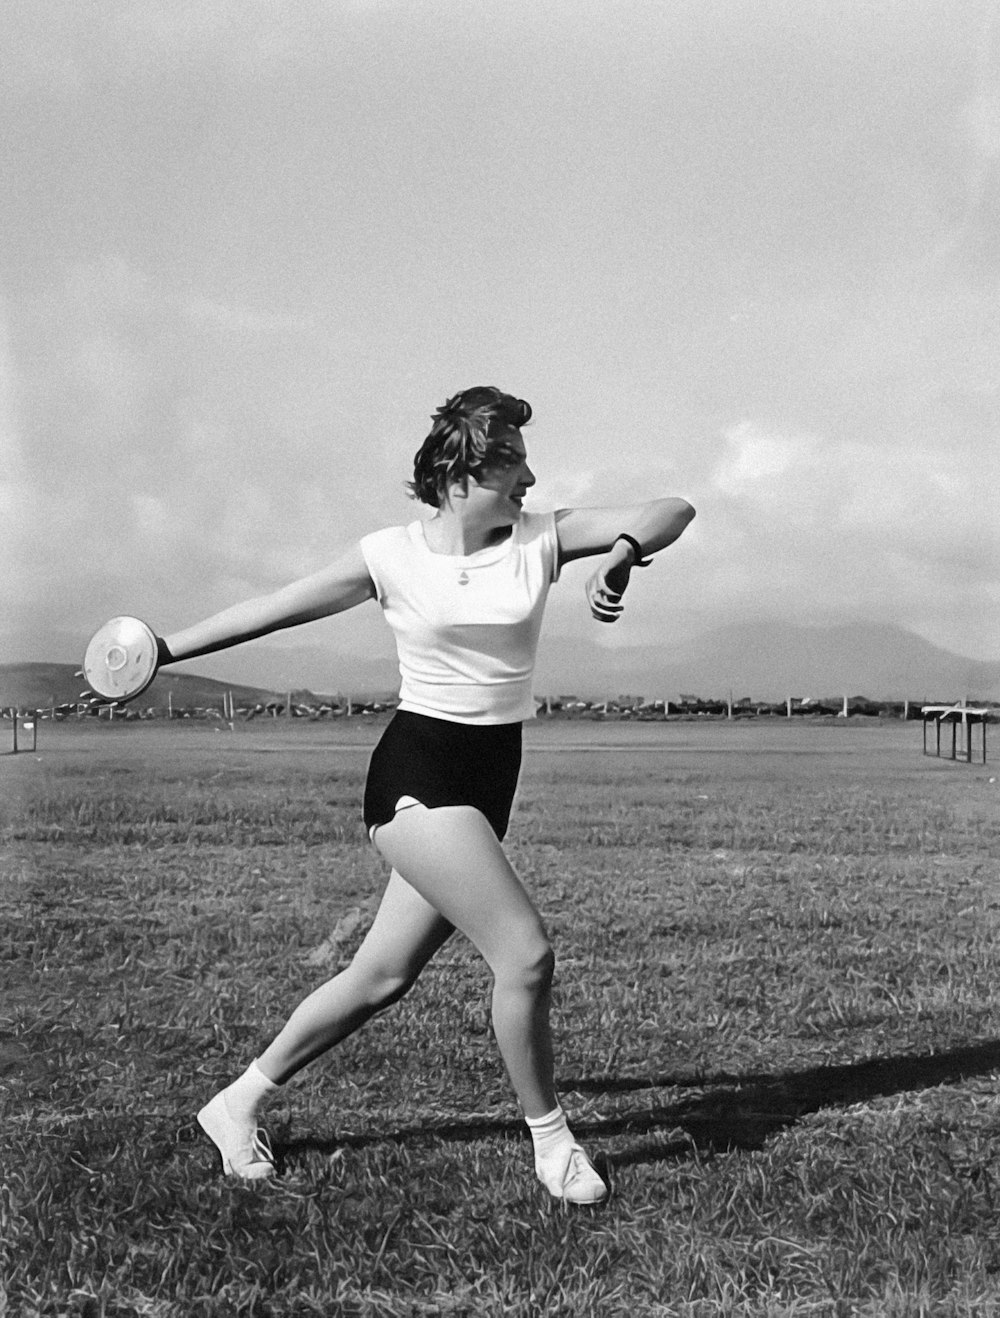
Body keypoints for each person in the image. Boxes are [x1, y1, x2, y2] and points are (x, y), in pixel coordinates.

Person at [156, 386, 695, 1203]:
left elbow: (673, 508)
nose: (530, 477)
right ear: (458, 473)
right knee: (525, 954)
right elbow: (269, 611)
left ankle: (237, 1104)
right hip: (416, 778)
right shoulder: (389, 556)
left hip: (488, 781)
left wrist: (621, 550)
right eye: (512, 461)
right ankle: (553, 1145)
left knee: (379, 975)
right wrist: (162, 649)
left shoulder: (539, 539)